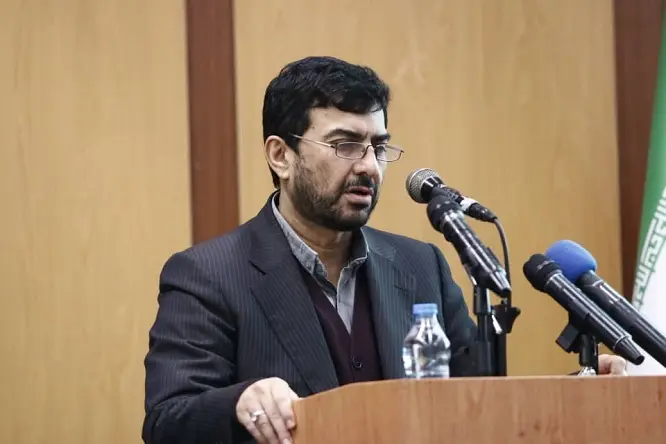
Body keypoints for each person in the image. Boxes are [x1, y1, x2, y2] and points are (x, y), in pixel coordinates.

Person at [142, 56, 627, 444]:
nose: (370, 167)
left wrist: (576, 393)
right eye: (345, 145)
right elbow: (167, 420)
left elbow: (475, 407)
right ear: (280, 155)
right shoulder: (209, 274)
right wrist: (239, 402)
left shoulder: (421, 266)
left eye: (378, 147)